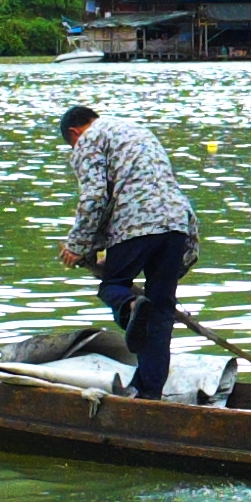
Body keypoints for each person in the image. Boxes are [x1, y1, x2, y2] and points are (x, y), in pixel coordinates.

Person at [53, 104, 196, 398]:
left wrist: (77, 246)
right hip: (178, 224)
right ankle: (150, 395)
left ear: (74, 132)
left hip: (137, 222)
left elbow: (95, 196)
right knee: (160, 314)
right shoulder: (137, 131)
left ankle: (130, 306)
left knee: (113, 287)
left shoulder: (89, 139)